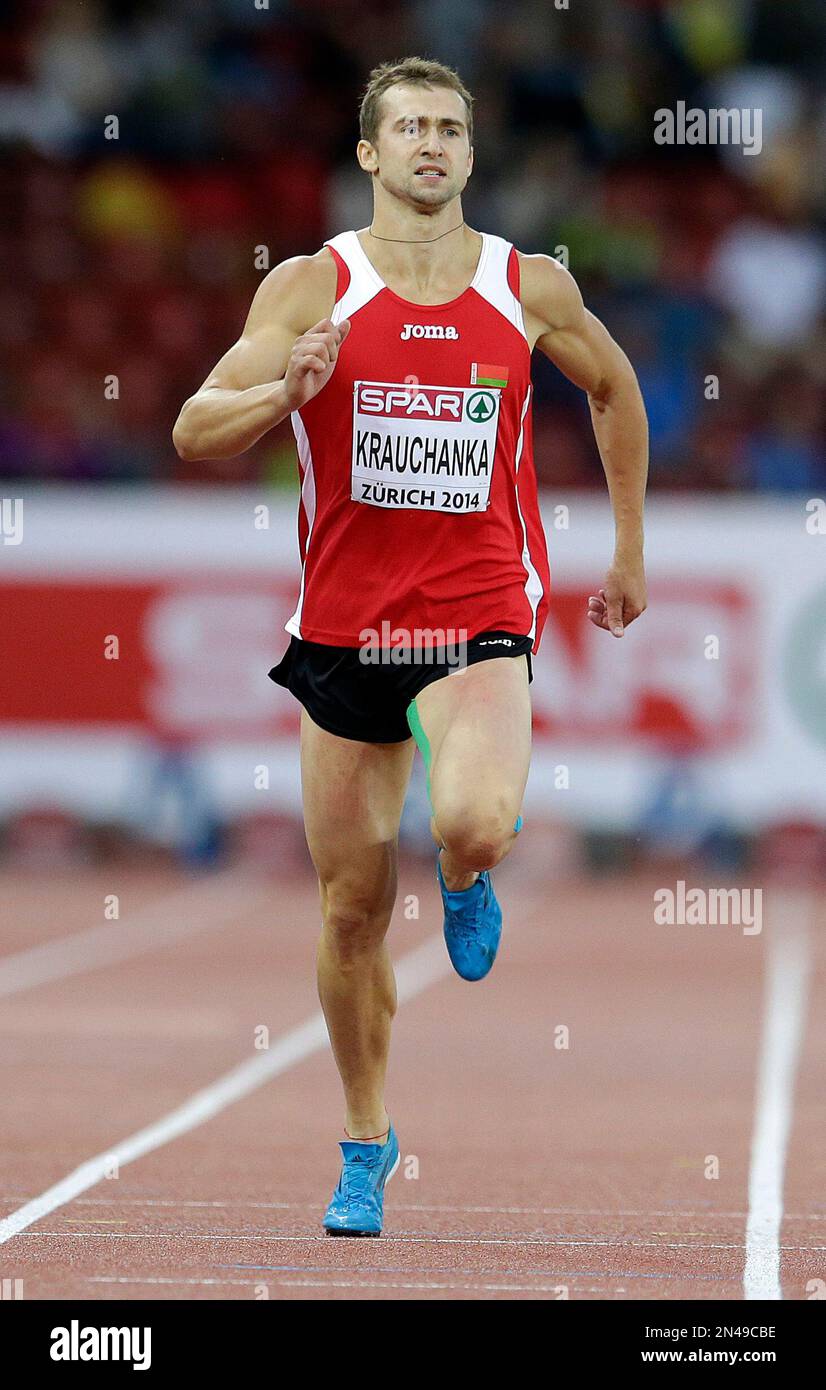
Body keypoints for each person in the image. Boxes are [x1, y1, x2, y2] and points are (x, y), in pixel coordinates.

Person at [173, 56, 648, 1238]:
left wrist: (628, 551)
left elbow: (615, 388)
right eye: (408, 128)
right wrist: (285, 391)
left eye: (449, 127)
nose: (430, 143)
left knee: (475, 818)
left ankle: (469, 871)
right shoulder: (310, 286)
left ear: (470, 155)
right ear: (370, 154)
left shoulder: (524, 283)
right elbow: (194, 427)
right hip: (343, 628)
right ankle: (365, 1140)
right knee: (349, 912)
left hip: (476, 610)